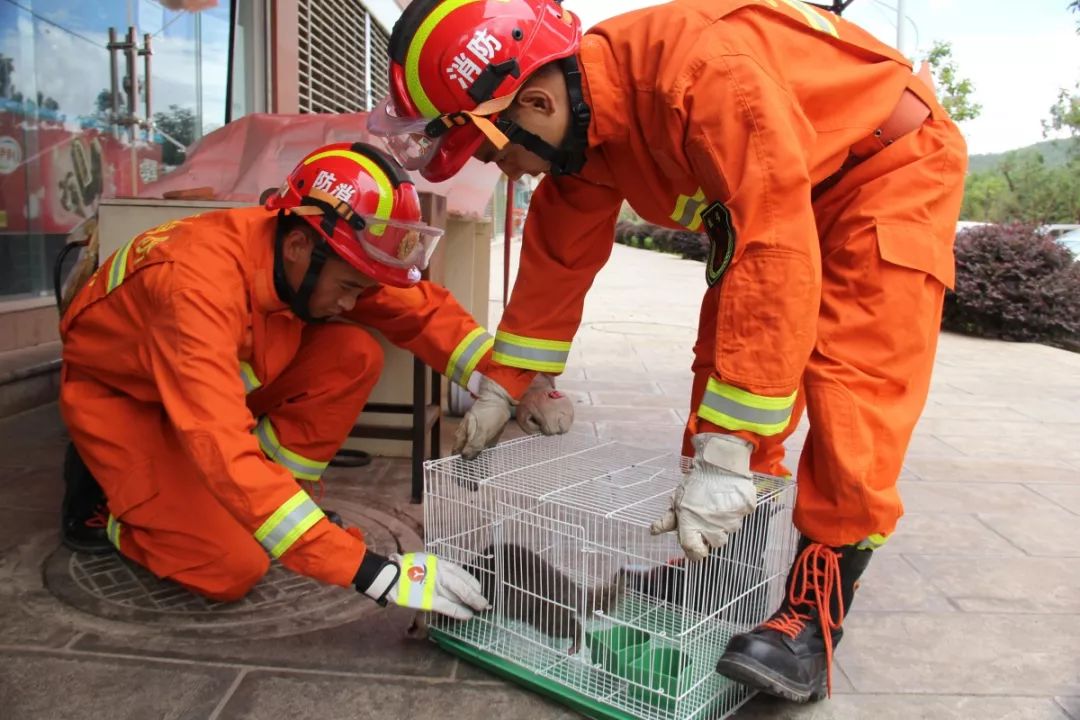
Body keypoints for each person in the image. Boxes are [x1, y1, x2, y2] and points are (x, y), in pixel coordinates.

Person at [368, 0, 967, 701]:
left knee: (850, 387)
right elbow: (557, 261)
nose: (508, 171)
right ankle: (721, 572)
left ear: (534, 100)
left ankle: (812, 622)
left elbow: (774, 244)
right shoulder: (584, 126)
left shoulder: (704, 72)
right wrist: (504, 384)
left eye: (501, 150)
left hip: (885, 173)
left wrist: (731, 444)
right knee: (724, 368)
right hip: (778, 190)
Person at [58, 141, 505, 619]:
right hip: (125, 401)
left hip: (204, 384)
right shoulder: (195, 287)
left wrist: (510, 381)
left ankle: (271, 507)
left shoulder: (308, 249)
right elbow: (221, 448)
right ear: (297, 248)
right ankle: (112, 503)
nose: (355, 305)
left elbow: (417, 309)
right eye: (351, 288)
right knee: (230, 567)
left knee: (352, 354)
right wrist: (374, 573)